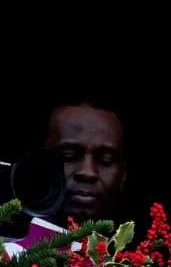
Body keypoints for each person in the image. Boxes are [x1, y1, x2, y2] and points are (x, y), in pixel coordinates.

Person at [3, 102, 128, 256]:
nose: (88, 172)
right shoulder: (7, 258)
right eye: (68, 156)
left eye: (106, 160)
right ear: (33, 164)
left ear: (123, 175)